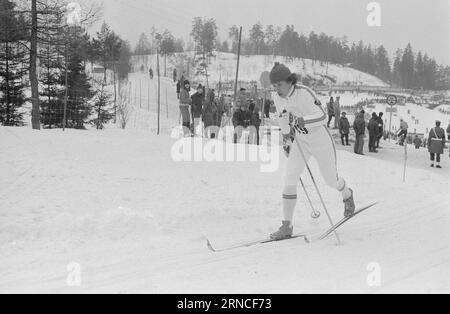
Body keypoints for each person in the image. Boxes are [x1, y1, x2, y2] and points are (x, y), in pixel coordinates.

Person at [268, 63, 355, 241]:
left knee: (331, 180)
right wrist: (286, 138)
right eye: (274, 86)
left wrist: (302, 120)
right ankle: (287, 225)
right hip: (301, 142)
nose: (277, 89)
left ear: (289, 81)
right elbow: (282, 117)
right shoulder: (277, 97)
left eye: (280, 85)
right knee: (290, 178)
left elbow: (322, 116)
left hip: (320, 140)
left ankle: (347, 193)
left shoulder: (303, 93)